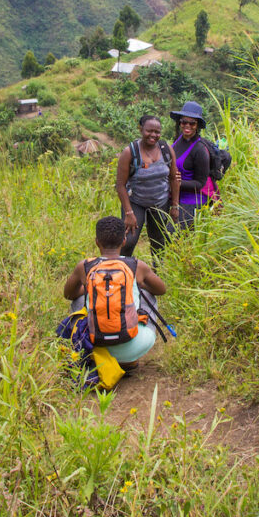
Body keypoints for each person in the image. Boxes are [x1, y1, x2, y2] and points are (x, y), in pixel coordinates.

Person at [63, 216, 167, 370]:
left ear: (97, 241)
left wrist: (92, 288)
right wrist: (138, 285)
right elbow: (161, 289)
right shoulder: (137, 265)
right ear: (124, 241)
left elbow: (68, 294)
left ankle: (95, 354)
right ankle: (128, 359)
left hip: (96, 344)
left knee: (78, 300)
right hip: (136, 345)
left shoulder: (84, 266)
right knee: (148, 294)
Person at [115, 115, 179, 258]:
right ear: (141, 129)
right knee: (128, 241)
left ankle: (158, 273)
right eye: (149, 131)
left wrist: (174, 206)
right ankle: (123, 273)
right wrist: (129, 213)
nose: (153, 135)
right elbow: (120, 185)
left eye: (157, 132)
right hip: (136, 202)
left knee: (159, 243)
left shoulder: (166, 149)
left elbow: (174, 178)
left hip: (160, 202)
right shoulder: (130, 152)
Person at [170, 101, 215, 228]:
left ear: (198, 125)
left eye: (192, 123)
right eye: (184, 122)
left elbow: (200, 183)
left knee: (171, 235)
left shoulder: (200, 150)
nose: (187, 126)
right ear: (180, 122)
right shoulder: (178, 139)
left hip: (192, 200)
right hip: (175, 197)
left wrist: (176, 183)